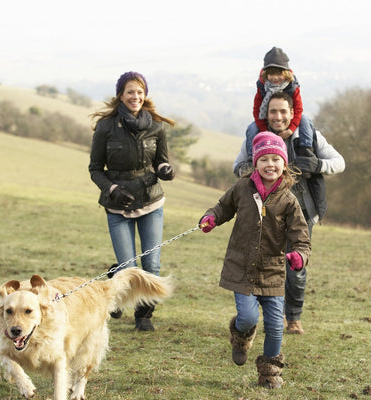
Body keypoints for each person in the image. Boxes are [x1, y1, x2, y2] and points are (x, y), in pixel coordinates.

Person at [199, 132, 311, 389]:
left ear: (284, 164)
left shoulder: (289, 201)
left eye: (276, 159)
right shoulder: (241, 188)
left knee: (274, 326)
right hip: (241, 268)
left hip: (272, 272)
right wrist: (211, 218)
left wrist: (299, 257)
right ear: (255, 163)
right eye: (264, 159)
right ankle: (240, 337)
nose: (270, 164)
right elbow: (222, 207)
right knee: (248, 318)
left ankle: (270, 373)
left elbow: (302, 239)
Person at [234, 91, 345, 335]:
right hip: (265, 213)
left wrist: (317, 166)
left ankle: (293, 317)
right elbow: (238, 166)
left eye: (283, 111)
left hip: (302, 213)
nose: (278, 116)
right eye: (273, 111)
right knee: (266, 265)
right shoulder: (255, 135)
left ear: (293, 113)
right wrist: (251, 171)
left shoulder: (310, 135)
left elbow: (339, 162)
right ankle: (273, 318)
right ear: (266, 113)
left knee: (296, 266)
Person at [89, 71, 176, 332]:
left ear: (145, 95)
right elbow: (94, 168)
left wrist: (164, 170)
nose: (135, 96)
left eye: (139, 92)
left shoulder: (157, 127)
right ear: (121, 95)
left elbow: (162, 160)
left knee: (151, 264)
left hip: (151, 201)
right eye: (130, 91)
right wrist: (112, 189)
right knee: (129, 267)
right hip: (118, 205)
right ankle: (117, 279)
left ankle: (143, 315)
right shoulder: (106, 127)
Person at [245, 46, 315, 158]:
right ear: (266, 74)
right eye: (271, 74)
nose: (275, 78)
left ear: (286, 73)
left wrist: (291, 129)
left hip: (291, 120)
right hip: (267, 122)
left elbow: (298, 109)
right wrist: (265, 131)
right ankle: (250, 157)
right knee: (252, 128)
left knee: (305, 120)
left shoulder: (292, 87)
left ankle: (306, 151)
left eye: (279, 73)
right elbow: (257, 110)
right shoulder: (262, 87)